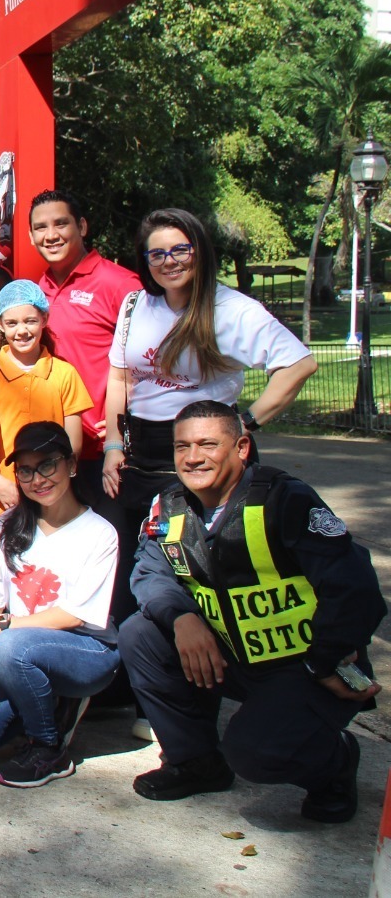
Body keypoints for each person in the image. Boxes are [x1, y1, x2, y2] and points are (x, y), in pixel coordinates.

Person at [120, 401, 384, 823]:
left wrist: (326, 660)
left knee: (255, 754)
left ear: (241, 448)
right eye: (182, 446)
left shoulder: (285, 499)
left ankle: (335, 764)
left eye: (208, 444)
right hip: (236, 657)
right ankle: (196, 762)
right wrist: (183, 619)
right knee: (140, 634)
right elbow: (149, 573)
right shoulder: (168, 506)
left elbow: (354, 587)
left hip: (307, 665)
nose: (192, 457)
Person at [102, 209, 317, 701]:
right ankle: (143, 690)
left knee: (204, 571)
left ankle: (215, 686)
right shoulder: (135, 305)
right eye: (157, 253)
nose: (169, 261)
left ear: (199, 250)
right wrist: (114, 444)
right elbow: (120, 376)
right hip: (141, 453)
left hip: (205, 455)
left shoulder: (231, 309)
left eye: (180, 249)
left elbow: (299, 363)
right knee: (140, 570)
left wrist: (246, 424)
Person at [0, 423, 120, 788]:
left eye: (47, 465)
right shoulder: (6, 526)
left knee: (12, 647)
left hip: (87, 650)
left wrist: (6, 631)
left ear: (71, 465)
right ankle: (50, 702)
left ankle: (49, 749)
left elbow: (73, 614)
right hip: (18, 651)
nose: (37, 479)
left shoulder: (100, 533)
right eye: (25, 471)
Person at [29, 188, 142, 473]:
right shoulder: (36, 290)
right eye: (40, 227)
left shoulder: (120, 284)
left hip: (106, 452)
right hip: (51, 448)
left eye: (61, 223)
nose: (51, 235)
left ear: (81, 226)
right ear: (31, 236)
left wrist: (129, 420)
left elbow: (155, 360)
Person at [0, 280, 92, 521]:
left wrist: (49, 480)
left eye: (30, 321)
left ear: (44, 319)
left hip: (53, 497)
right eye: (12, 323)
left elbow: (73, 443)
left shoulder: (64, 373)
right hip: (3, 498)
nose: (22, 331)